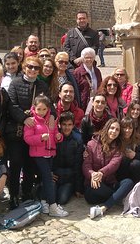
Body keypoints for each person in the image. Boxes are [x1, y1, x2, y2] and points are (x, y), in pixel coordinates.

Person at [5, 56, 50, 207]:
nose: (32, 70)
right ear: (24, 67)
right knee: (16, 162)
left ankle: (26, 193)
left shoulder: (42, 85)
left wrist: (53, 116)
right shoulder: (15, 83)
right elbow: (11, 105)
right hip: (17, 131)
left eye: (36, 68)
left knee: (30, 164)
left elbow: (48, 104)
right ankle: (13, 195)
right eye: (30, 67)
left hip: (35, 132)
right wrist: (24, 118)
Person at [23, 95, 69, 217]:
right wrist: (40, 138)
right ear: (34, 108)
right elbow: (27, 138)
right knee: (48, 178)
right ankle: (53, 205)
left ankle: (44, 202)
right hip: (38, 154)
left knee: (45, 179)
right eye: (39, 109)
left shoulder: (51, 120)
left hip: (50, 153)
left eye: (44, 109)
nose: (41, 112)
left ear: (48, 109)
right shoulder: (31, 121)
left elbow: (55, 133)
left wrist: (59, 137)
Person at [82, 118, 134, 219]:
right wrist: (93, 174)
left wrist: (101, 172)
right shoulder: (91, 144)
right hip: (94, 185)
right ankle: (118, 197)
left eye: (117, 130)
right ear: (106, 128)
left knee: (128, 182)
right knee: (95, 187)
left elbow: (114, 164)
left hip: (110, 183)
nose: (114, 131)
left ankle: (104, 208)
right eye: (112, 128)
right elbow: (86, 165)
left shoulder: (119, 147)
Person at [53, 112, 85, 205]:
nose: (67, 128)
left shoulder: (77, 140)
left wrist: (78, 188)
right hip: (55, 175)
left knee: (61, 200)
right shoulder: (55, 137)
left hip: (69, 178)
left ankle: (69, 189)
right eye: (64, 124)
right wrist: (49, 174)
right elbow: (48, 158)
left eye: (69, 125)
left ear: (73, 125)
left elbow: (78, 164)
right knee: (50, 198)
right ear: (59, 125)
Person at [117, 117, 140, 186]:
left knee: (136, 163)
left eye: (130, 128)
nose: (127, 130)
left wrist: (135, 155)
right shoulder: (117, 141)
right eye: (124, 128)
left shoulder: (139, 141)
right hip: (122, 173)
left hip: (138, 172)